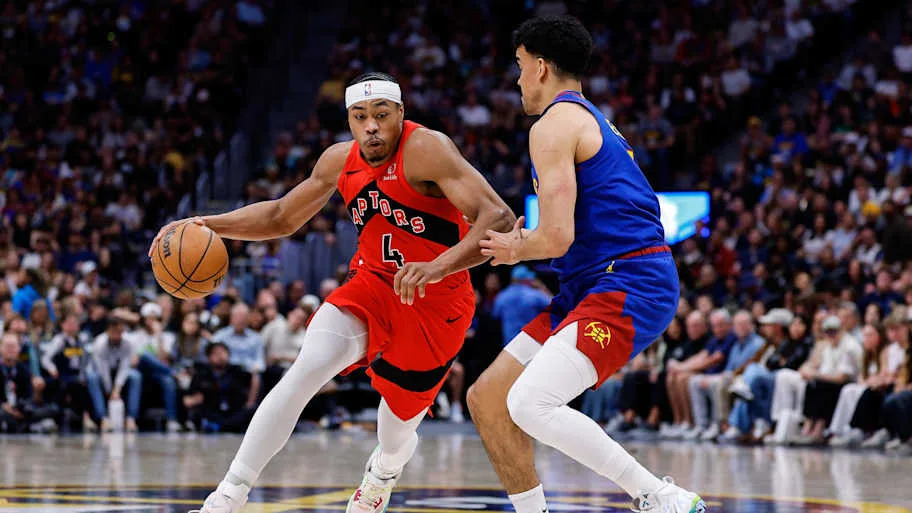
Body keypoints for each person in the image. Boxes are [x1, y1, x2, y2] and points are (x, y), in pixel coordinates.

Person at [154, 71, 514, 513]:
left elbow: (497, 217)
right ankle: (227, 495)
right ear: (349, 120)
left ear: (400, 114)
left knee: (397, 433)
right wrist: (210, 224)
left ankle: (382, 473)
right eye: (360, 116)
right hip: (372, 287)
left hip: (438, 306)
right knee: (307, 368)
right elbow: (282, 216)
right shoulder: (338, 161)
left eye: (381, 115)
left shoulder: (427, 149)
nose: (371, 126)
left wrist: (438, 266)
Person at [472, 15, 705, 513]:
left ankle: (659, 496)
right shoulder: (590, 118)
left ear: (538, 67)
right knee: (488, 398)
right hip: (588, 283)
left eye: (517, 66)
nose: (516, 80)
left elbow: (557, 236)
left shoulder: (554, 125)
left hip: (630, 280)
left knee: (529, 402)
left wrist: (517, 248)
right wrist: (527, 238)